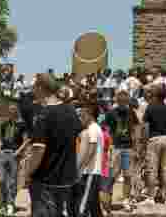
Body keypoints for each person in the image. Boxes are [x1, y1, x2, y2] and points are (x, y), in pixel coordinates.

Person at [24, 73, 83, 217]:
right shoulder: (71, 111)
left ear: (41, 88)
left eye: (34, 87)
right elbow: (79, 139)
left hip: (46, 181)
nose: (33, 91)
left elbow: (38, 150)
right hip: (68, 180)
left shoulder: (43, 115)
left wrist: (27, 173)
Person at [139, 83, 166, 206]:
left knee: (152, 169)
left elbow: (145, 127)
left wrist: (144, 142)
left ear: (155, 96)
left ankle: (150, 197)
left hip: (154, 139)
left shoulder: (150, 108)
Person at [77, 103, 105, 217]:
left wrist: (80, 167)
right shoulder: (95, 128)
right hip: (93, 171)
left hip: (90, 172)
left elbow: (91, 150)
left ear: (90, 115)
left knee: (82, 208)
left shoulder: (93, 129)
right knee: (95, 208)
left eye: (82, 115)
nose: (80, 118)